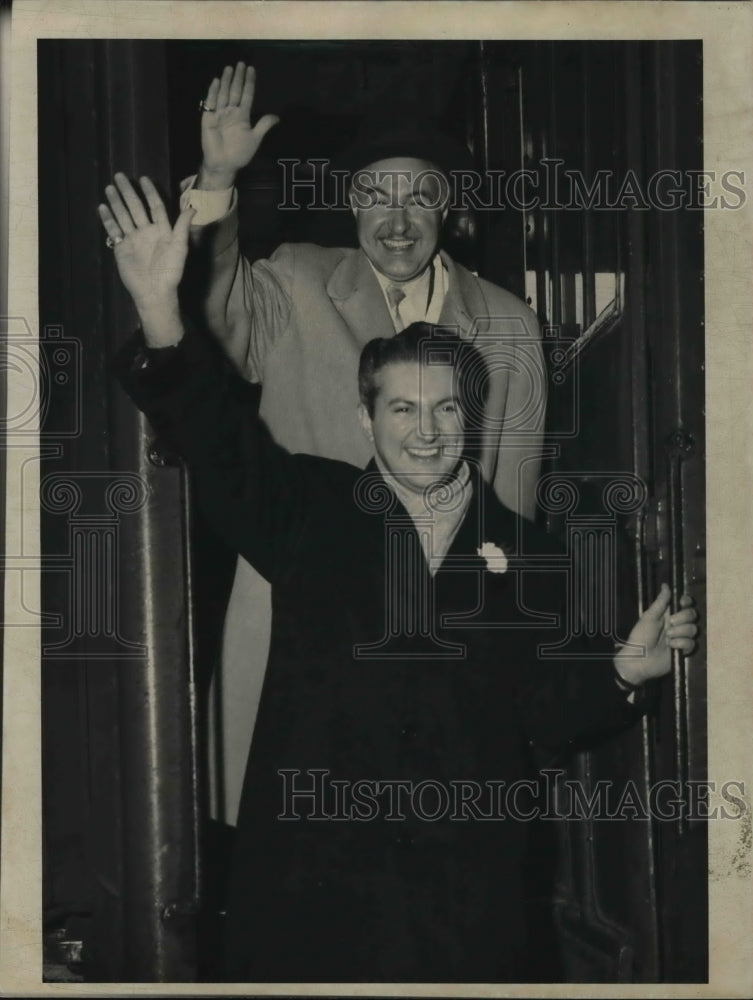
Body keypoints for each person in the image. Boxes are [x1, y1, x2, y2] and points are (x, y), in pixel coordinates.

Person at [99, 176, 698, 983]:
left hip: (465, 903)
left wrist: (624, 672)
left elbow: (546, 710)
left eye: (446, 411)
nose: (427, 433)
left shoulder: (522, 550)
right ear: (365, 420)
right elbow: (212, 433)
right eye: (403, 411)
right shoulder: (306, 510)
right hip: (314, 893)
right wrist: (160, 309)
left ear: (471, 419)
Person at [183, 61, 550, 822]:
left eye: (419, 197)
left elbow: (510, 512)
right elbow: (215, 315)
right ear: (350, 206)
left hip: (434, 643)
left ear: (446, 210)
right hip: (295, 632)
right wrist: (218, 178)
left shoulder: (509, 324)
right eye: (377, 197)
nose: (397, 220)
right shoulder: (293, 282)